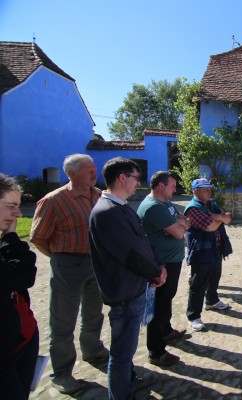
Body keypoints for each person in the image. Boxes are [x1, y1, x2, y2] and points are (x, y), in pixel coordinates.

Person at [89, 157, 166, 399]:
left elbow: (143, 241)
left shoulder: (120, 206)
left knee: (127, 350)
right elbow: (132, 255)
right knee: (121, 354)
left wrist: (159, 264)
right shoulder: (107, 212)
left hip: (134, 288)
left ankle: (129, 381)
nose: (138, 183)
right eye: (136, 178)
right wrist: (155, 272)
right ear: (122, 178)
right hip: (124, 294)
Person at [30, 154, 107, 394]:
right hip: (68, 264)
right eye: (89, 170)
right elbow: (38, 237)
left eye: (94, 169)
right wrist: (60, 257)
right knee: (63, 321)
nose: (94, 174)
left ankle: (92, 349)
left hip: (96, 262)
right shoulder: (54, 200)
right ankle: (62, 373)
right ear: (72, 174)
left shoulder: (99, 195)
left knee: (94, 312)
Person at [137, 171, 189, 367]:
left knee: (167, 300)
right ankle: (156, 351)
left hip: (172, 260)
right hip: (162, 264)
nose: (175, 190)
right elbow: (179, 232)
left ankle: (166, 331)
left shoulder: (166, 203)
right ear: (161, 185)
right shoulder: (153, 207)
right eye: (172, 186)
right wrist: (179, 226)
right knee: (158, 306)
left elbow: (184, 220)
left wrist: (180, 224)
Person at [0, 174, 38, 400]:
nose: (18, 214)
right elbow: (23, 274)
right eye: (11, 206)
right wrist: (12, 238)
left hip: (22, 338)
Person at [184, 178, 232, 332]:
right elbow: (210, 227)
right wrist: (219, 218)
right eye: (205, 189)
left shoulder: (211, 204)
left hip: (216, 248)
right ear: (195, 191)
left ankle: (212, 301)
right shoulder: (192, 209)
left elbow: (228, 218)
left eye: (209, 188)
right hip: (201, 251)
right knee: (198, 284)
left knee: (214, 277)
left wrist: (217, 216)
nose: (209, 191)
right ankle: (193, 316)